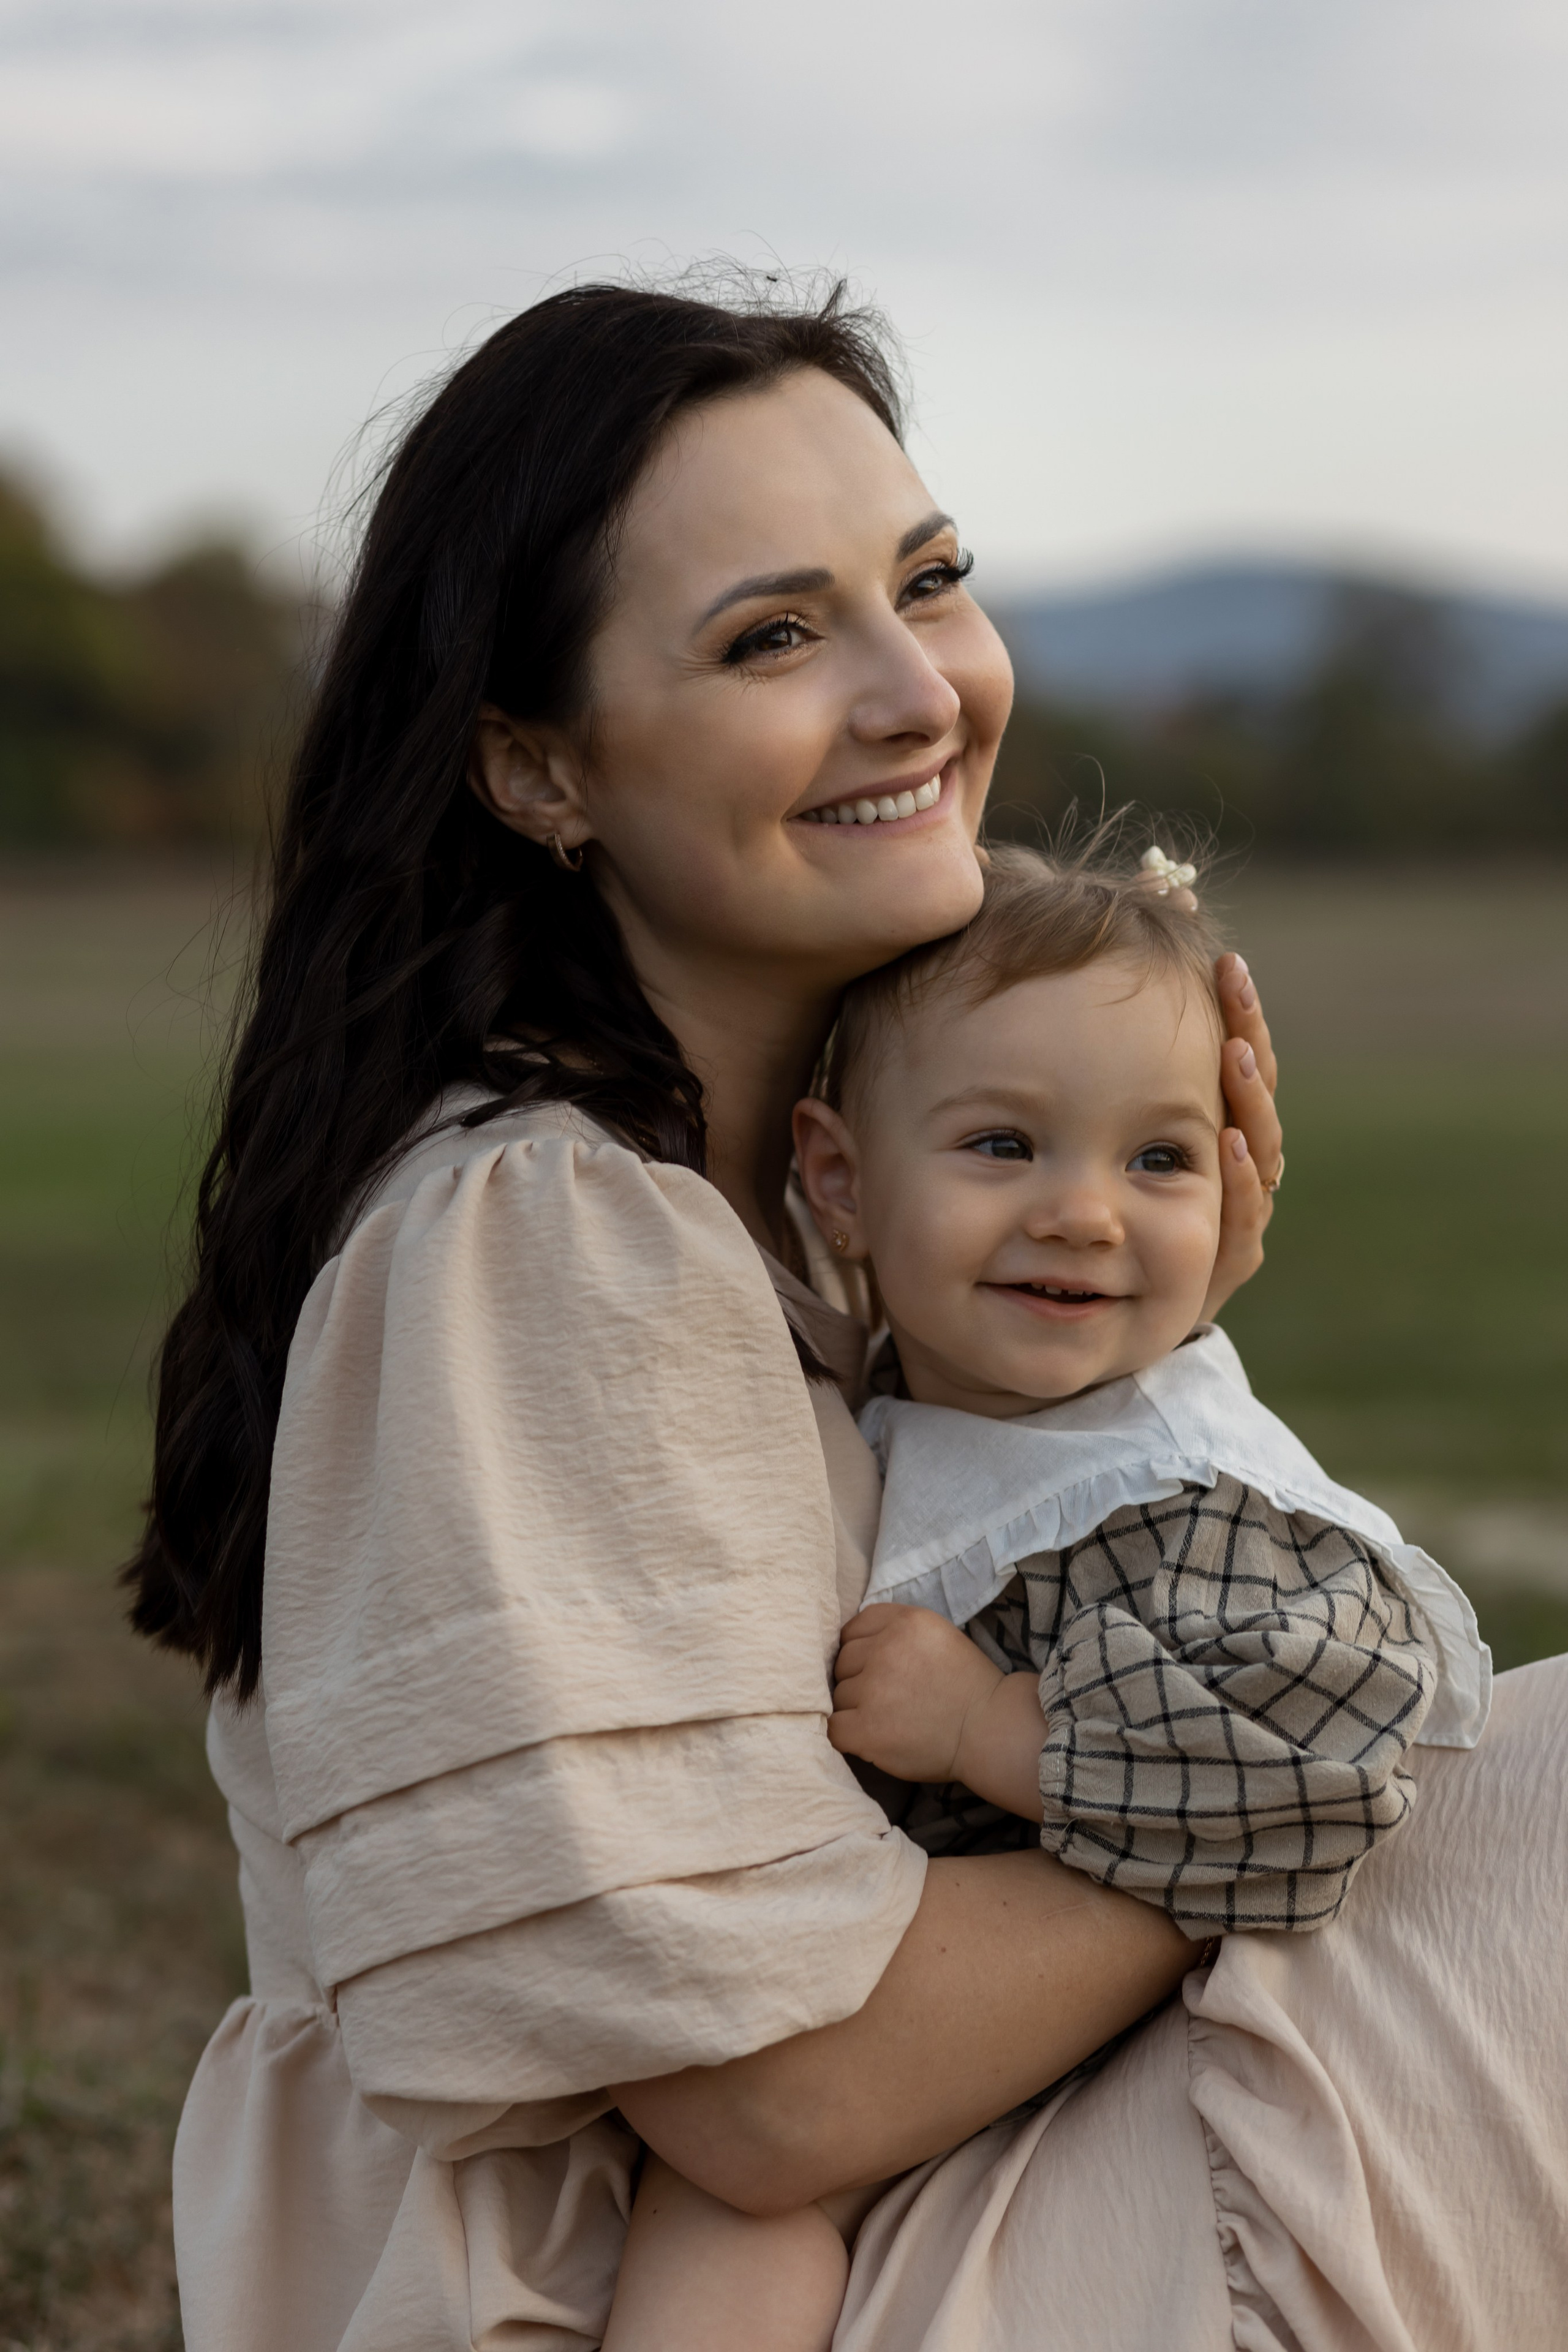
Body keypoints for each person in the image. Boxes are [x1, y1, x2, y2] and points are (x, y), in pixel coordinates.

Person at [127, 277, 1568, 2352]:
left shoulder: (790, 1202)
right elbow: (775, 2095)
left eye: (930, 582)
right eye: (776, 636)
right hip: (647, 2293)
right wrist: (1258, 1783)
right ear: (538, 768)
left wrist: (1124, 1368)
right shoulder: (546, 1229)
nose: (921, 694)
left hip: (885, 2200)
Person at [598, 837, 1491, 2348]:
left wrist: (993, 1728)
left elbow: (1330, 1752)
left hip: (1176, 2053)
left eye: (1158, 1160)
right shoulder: (909, 1421)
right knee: (727, 2210)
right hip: (926, 2030)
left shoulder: (1169, 1485)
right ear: (836, 1178)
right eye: (1003, 1146)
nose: (1084, 1213)